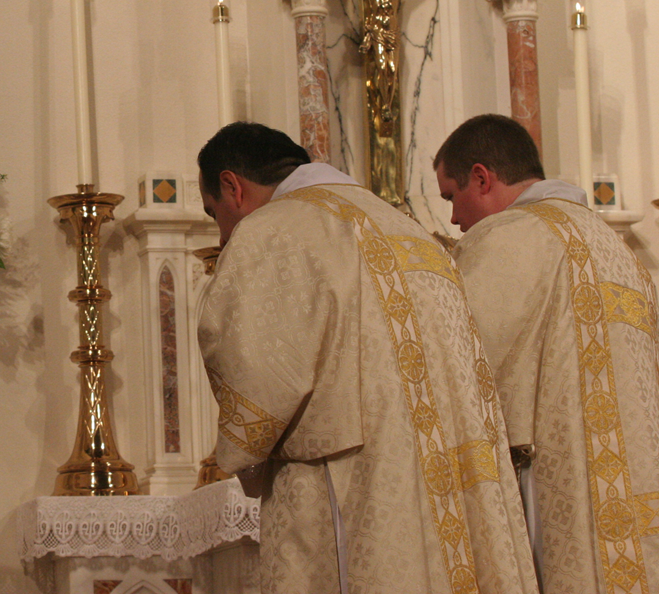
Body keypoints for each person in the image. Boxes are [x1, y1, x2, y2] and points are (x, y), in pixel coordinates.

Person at [196, 121, 538, 593]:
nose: (222, 238)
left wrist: (241, 451)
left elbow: (250, 367)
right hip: (444, 484)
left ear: (232, 185)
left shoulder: (271, 231)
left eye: (215, 214)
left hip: (354, 486)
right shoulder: (412, 232)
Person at [436, 113, 659, 594]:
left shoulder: (504, 239)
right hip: (638, 484)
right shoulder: (618, 248)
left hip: (556, 482)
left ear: (482, 177)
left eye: (452, 196)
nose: (454, 218)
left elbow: (456, 366)